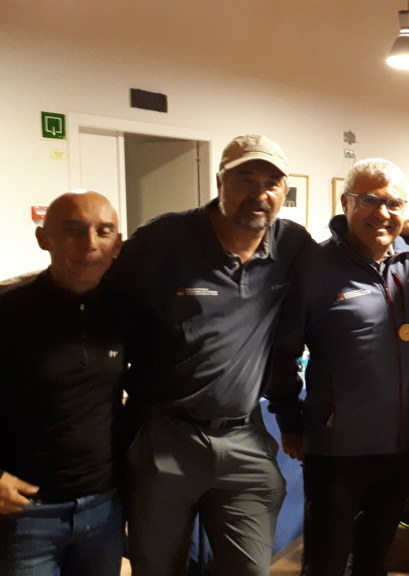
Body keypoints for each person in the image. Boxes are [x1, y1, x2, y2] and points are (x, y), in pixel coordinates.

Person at [107, 135, 317, 576]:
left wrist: (400, 245)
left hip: (244, 438)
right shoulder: (163, 240)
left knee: (249, 568)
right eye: (246, 179)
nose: (260, 193)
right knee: (158, 567)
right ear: (220, 181)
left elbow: (337, 266)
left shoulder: (291, 245)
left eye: (272, 183)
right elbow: (102, 306)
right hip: (166, 435)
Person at [266, 159, 409, 576]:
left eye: (394, 203)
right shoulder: (314, 267)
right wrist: (289, 420)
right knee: (326, 560)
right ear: (345, 203)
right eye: (369, 200)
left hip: (399, 445)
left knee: (375, 558)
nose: (382, 212)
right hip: (337, 447)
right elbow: (283, 352)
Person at [0, 191, 126, 576]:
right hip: (26, 515)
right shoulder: (8, 311)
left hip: (103, 511)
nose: (90, 243)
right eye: (73, 230)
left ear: (117, 245)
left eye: (103, 231)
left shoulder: (125, 309)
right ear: (44, 239)